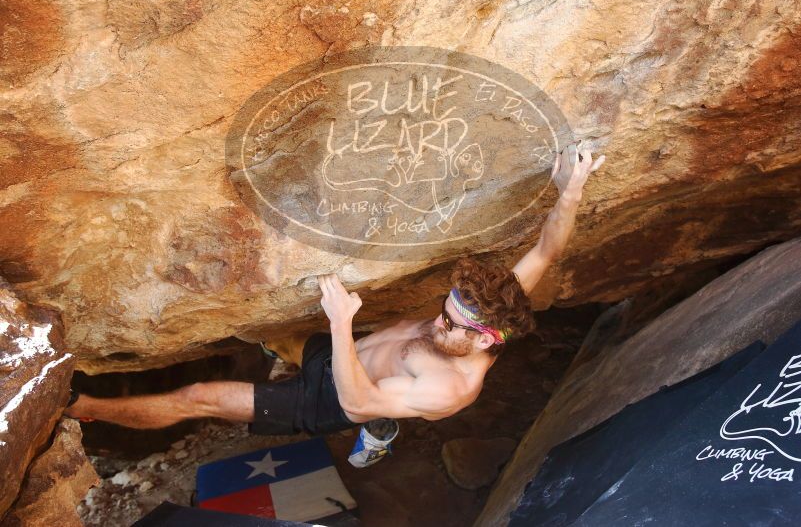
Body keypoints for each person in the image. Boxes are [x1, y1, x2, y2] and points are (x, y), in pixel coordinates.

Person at [65, 144, 605, 435]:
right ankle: (287, 356)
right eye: (444, 309)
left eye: (450, 324)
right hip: (342, 349)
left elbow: (359, 397)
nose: (438, 321)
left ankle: (82, 407)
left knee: (198, 398)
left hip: (331, 397)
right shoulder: (496, 311)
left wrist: (342, 321)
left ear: (486, 340)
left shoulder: (450, 387)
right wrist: (570, 190)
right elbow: (545, 253)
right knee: (276, 335)